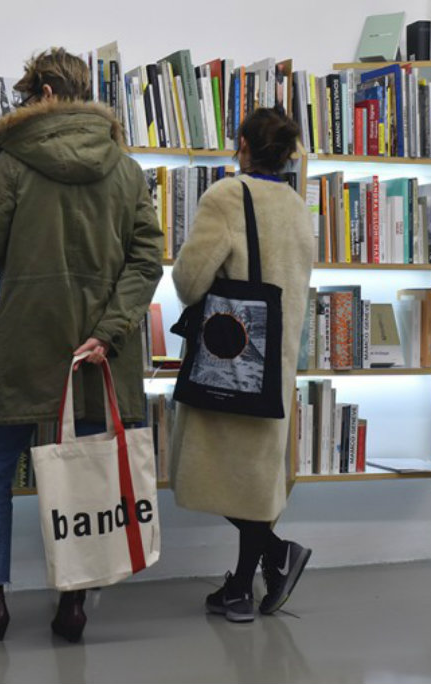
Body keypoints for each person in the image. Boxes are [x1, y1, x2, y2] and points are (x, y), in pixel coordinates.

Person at [0, 48, 163, 642]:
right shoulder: (127, 169)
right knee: (85, 477)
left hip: (24, 345)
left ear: (42, 93)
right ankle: (73, 605)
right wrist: (107, 331)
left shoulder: (14, 165)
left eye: (23, 94)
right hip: (98, 359)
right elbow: (147, 262)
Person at [169, 107, 315, 623]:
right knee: (254, 479)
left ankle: (273, 558)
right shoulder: (299, 206)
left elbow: (189, 282)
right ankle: (238, 588)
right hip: (276, 363)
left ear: (242, 145)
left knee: (208, 472)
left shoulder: (227, 196)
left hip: (229, 360)